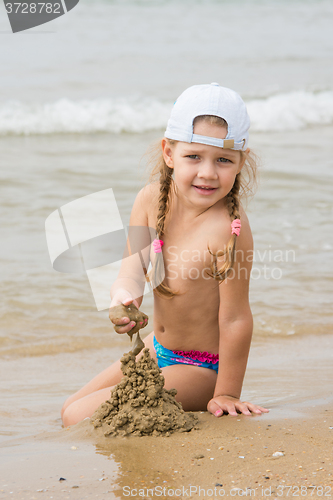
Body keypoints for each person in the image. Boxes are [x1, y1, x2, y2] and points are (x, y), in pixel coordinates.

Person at [61, 83, 269, 426]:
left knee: (79, 418)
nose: (207, 172)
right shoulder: (150, 200)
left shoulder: (228, 228)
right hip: (157, 349)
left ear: (240, 162)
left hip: (200, 368)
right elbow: (132, 268)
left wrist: (228, 392)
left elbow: (235, 318)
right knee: (70, 407)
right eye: (193, 156)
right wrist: (123, 296)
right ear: (169, 153)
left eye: (223, 160)